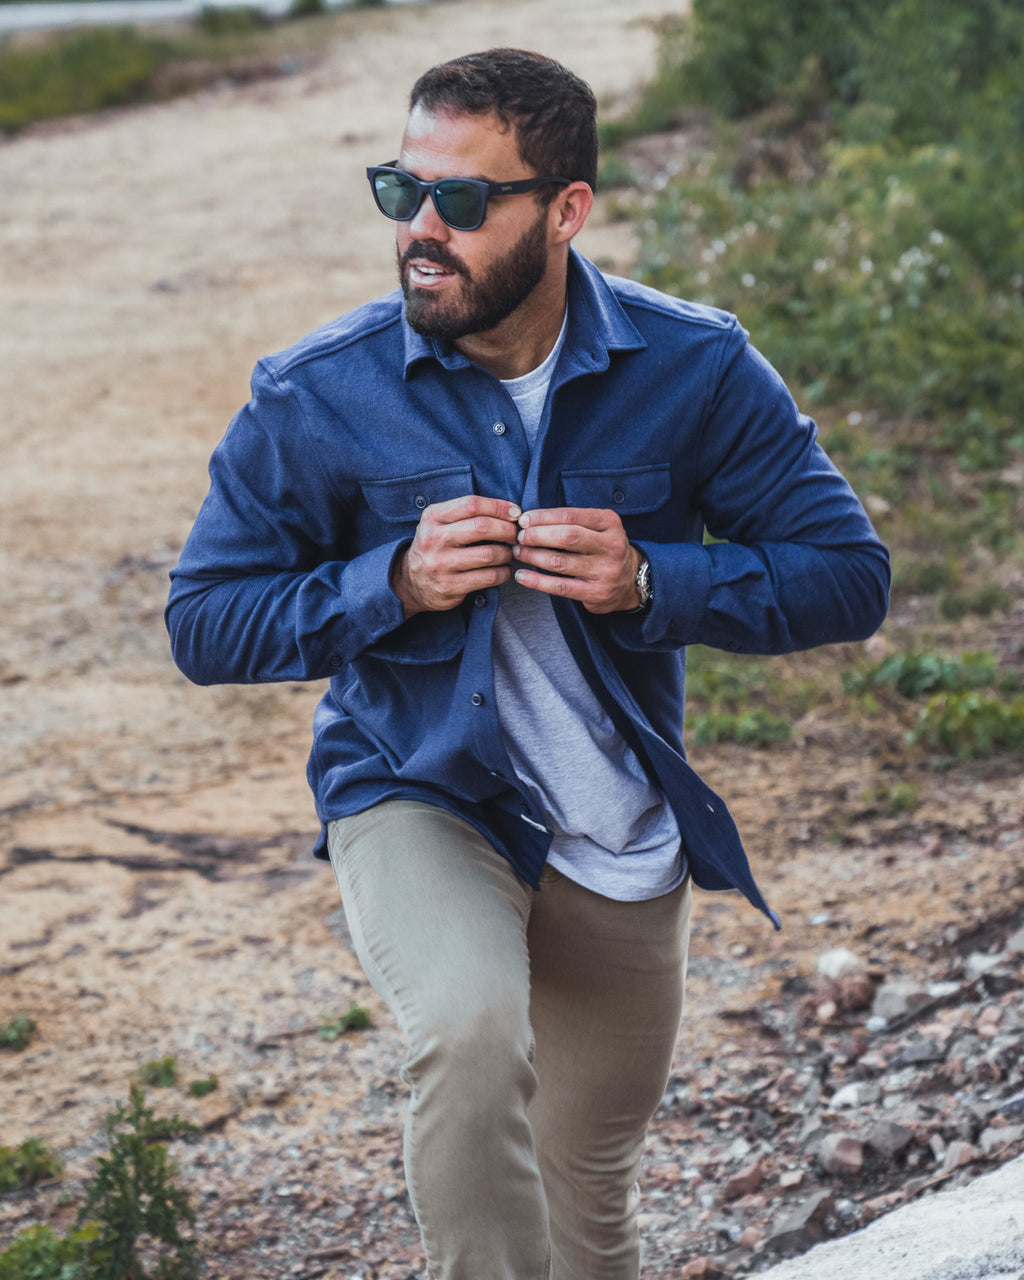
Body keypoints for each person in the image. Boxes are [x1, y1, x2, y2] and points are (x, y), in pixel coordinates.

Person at [166, 47, 890, 1280]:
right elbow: (203, 619)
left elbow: (847, 573)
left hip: (620, 829)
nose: (421, 229)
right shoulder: (317, 394)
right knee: (467, 1029)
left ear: (565, 209)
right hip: (420, 786)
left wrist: (653, 578)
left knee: (585, 1193)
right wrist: (390, 582)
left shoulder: (695, 366)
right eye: (401, 190)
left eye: (461, 199)